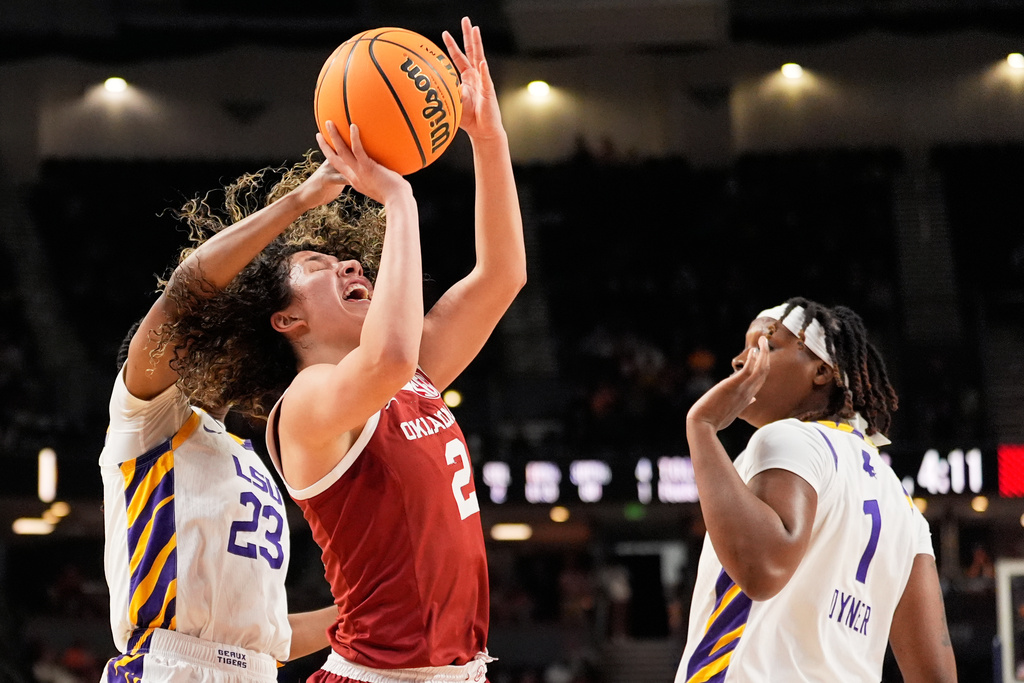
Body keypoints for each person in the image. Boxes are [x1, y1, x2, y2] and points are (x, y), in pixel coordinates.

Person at [162, 17, 526, 683]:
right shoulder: (306, 406)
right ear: (285, 319)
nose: (351, 268)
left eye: (351, 262)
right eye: (319, 265)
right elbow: (387, 356)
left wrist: (488, 137)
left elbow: (503, 276)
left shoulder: (410, 377)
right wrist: (398, 195)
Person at [99, 152, 349, 682]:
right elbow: (185, 297)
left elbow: (266, 633)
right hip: (166, 668)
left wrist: (367, 611)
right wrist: (300, 200)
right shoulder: (146, 418)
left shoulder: (251, 455)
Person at [676, 298, 957, 682]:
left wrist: (702, 427)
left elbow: (762, 571)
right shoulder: (902, 504)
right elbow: (936, 675)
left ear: (821, 371)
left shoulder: (789, 438)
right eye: (743, 348)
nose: (740, 361)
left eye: (766, 346)